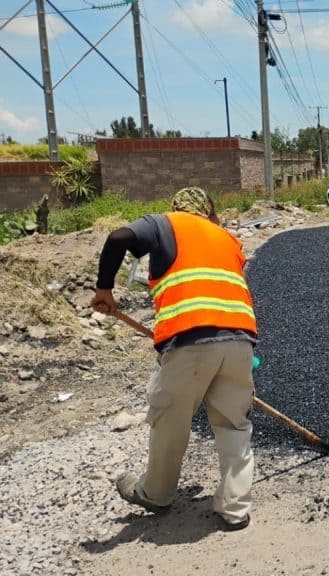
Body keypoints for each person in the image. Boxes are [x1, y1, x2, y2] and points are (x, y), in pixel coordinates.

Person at [91, 187, 258, 531]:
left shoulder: (166, 224)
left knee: (171, 420)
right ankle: (235, 509)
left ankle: (156, 493)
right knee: (234, 425)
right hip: (240, 340)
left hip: (190, 341)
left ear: (179, 207)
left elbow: (118, 236)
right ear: (209, 211)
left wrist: (104, 288)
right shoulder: (227, 238)